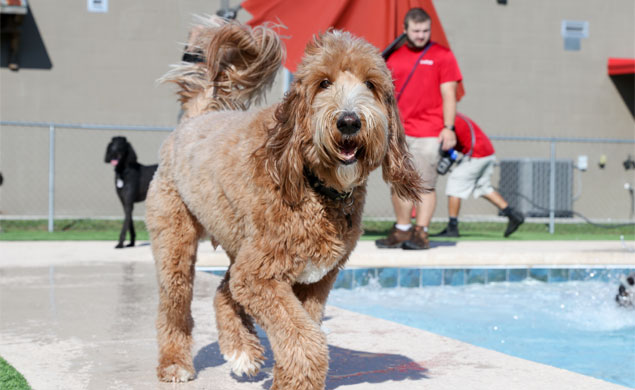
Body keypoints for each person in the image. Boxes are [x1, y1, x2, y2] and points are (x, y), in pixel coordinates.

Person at [376, 7, 461, 250]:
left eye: (425, 31)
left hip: (430, 131)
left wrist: (448, 128)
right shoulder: (391, 57)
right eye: (416, 31)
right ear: (405, 31)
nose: (421, 35)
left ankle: (421, 233)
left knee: (424, 184)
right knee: (399, 183)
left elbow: (449, 94)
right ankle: (403, 230)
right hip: (398, 133)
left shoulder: (442, 55)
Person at [432, 113, 525, 238]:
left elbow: (447, 144)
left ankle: (452, 227)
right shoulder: (453, 117)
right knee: (483, 188)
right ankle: (512, 215)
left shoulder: (447, 120)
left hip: (477, 154)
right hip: (487, 153)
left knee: (455, 182)